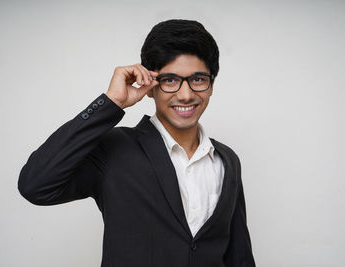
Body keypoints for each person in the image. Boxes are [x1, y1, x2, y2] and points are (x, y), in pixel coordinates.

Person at [18, 19, 256, 267]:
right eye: (170, 80)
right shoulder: (114, 149)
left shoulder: (227, 160)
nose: (186, 94)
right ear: (151, 86)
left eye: (197, 79)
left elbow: (238, 255)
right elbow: (35, 185)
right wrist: (111, 102)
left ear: (211, 85)